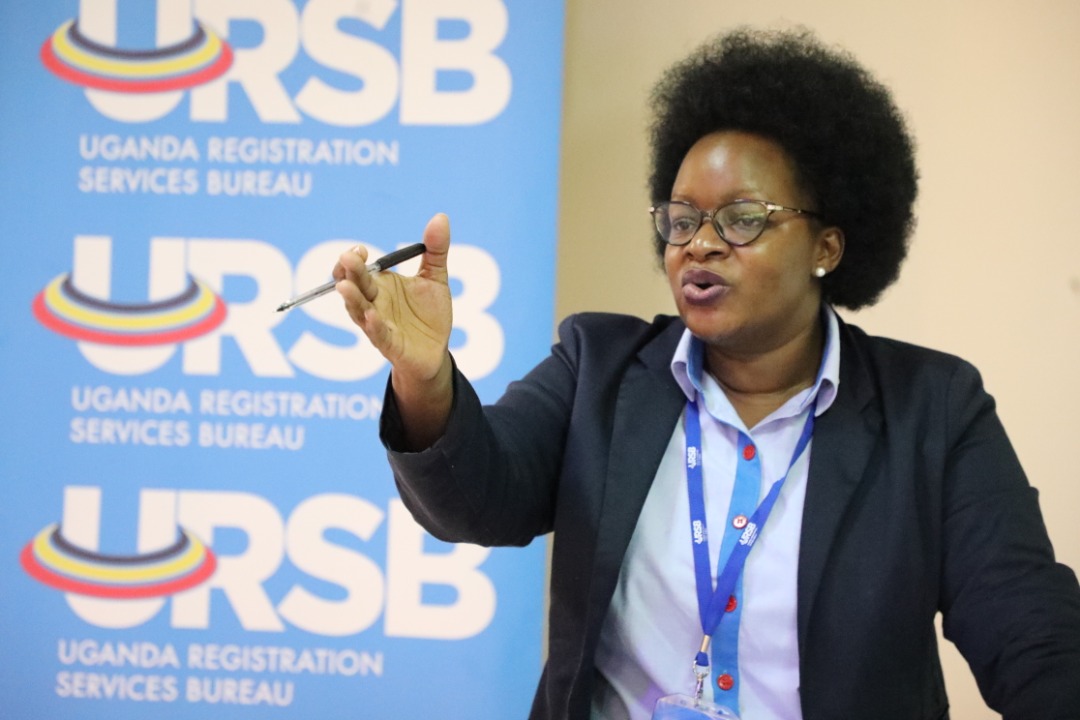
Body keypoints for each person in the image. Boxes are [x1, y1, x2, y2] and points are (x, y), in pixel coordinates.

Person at [333, 27, 1080, 720]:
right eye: (682, 220)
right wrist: (425, 377)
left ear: (827, 244)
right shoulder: (599, 369)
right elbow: (477, 501)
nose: (700, 245)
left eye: (742, 218)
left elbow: (1029, 633)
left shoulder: (934, 412)